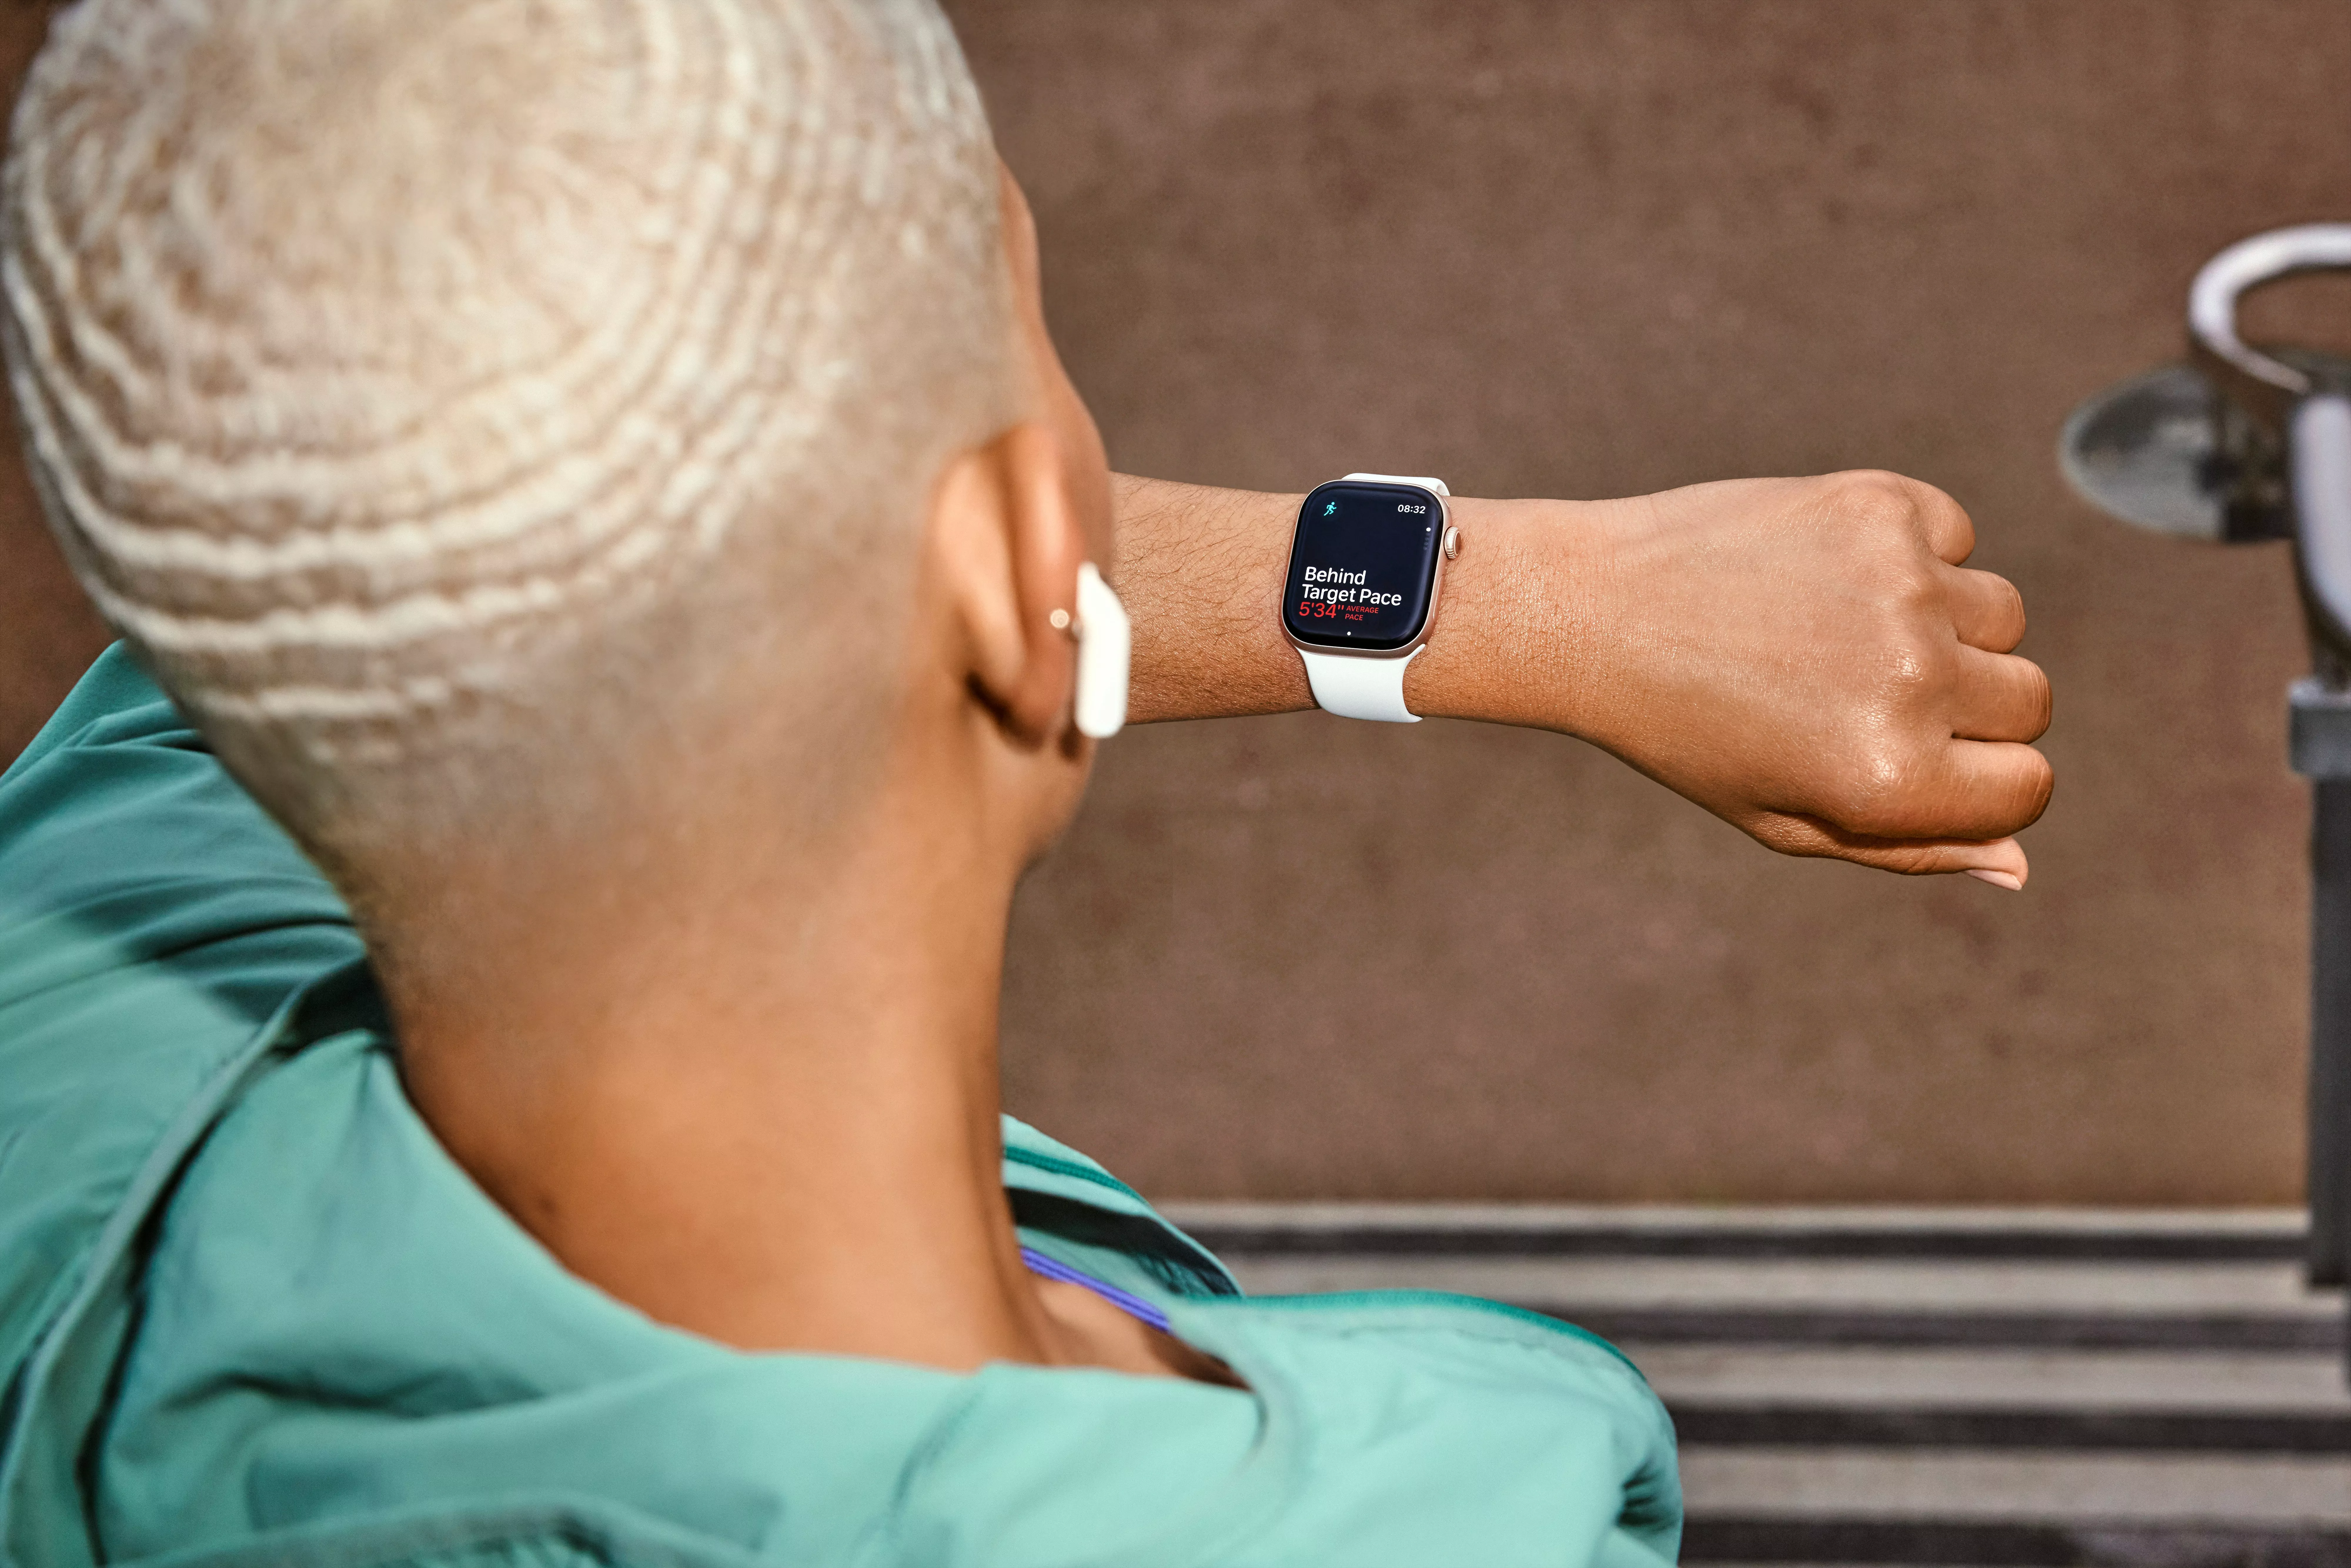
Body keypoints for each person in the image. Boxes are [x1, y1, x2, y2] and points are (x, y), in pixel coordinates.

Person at [0, 0, 2049, 1563]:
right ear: (1001, 554)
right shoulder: (1454, 1513)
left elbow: (501, 541)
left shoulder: (80, 948)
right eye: (1031, 327)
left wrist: (1529, 601)